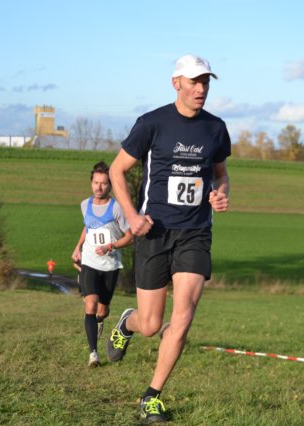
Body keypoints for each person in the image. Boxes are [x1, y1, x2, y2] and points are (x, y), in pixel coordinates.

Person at [107, 54, 231, 423]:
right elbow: (116, 170)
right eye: (194, 81)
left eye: (205, 81)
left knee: (184, 316)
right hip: (155, 231)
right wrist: (132, 216)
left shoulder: (216, 128)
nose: (201, 88)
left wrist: (221, 193)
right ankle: (127, 323)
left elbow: (221, 174)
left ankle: (152, 396)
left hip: (195, 233)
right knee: (150, 325)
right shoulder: (152, 123)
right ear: (176, 83)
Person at [71, 161, 133, 367]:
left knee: (102, 309)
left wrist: (111, 246)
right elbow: (87, 227)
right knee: (90, 304)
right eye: (96, 182)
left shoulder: (117, 208)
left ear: (110, 185)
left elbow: (130, 237)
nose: (99, 187)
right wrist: (78, 247)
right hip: (89, 261)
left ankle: (100, 321)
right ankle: (93, 354)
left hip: (110, 265)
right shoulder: (84, 205)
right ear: (91, 183)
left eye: (104, 183)